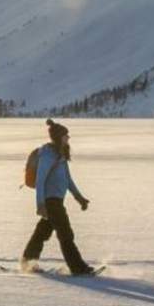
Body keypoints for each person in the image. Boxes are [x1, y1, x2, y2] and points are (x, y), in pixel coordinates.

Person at [21, 118, 98, 276]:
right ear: (58, 137)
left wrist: (79, 198)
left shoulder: (60, 156)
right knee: (65, 234)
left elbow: (68, 180)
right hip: (50, 202)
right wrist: (40, 204)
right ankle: (78, 267)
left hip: (56, 201)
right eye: (65, 136)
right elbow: (40, 181)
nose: (68, 139)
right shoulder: (48, 156)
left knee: (42, 233)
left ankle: (28, 261)